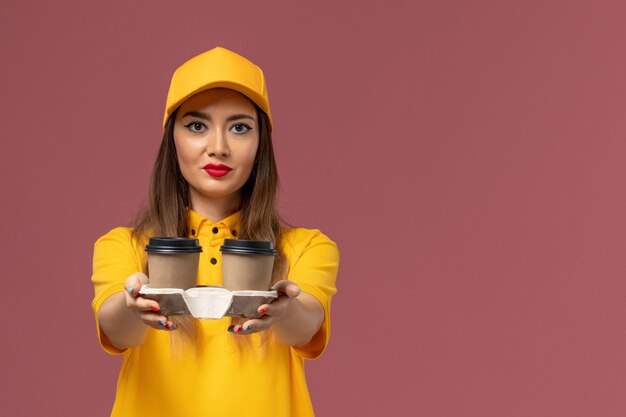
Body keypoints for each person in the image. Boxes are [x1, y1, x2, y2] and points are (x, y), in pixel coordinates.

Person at [91, 47, 339, 417]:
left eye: (239, 127)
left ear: (261, 145)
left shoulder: (306, 247)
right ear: (172, 139)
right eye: (196, 126)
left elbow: (303, 328)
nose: (218, 148)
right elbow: (118, 329)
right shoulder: (123, 246)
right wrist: (134, 307)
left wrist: (282, 312)